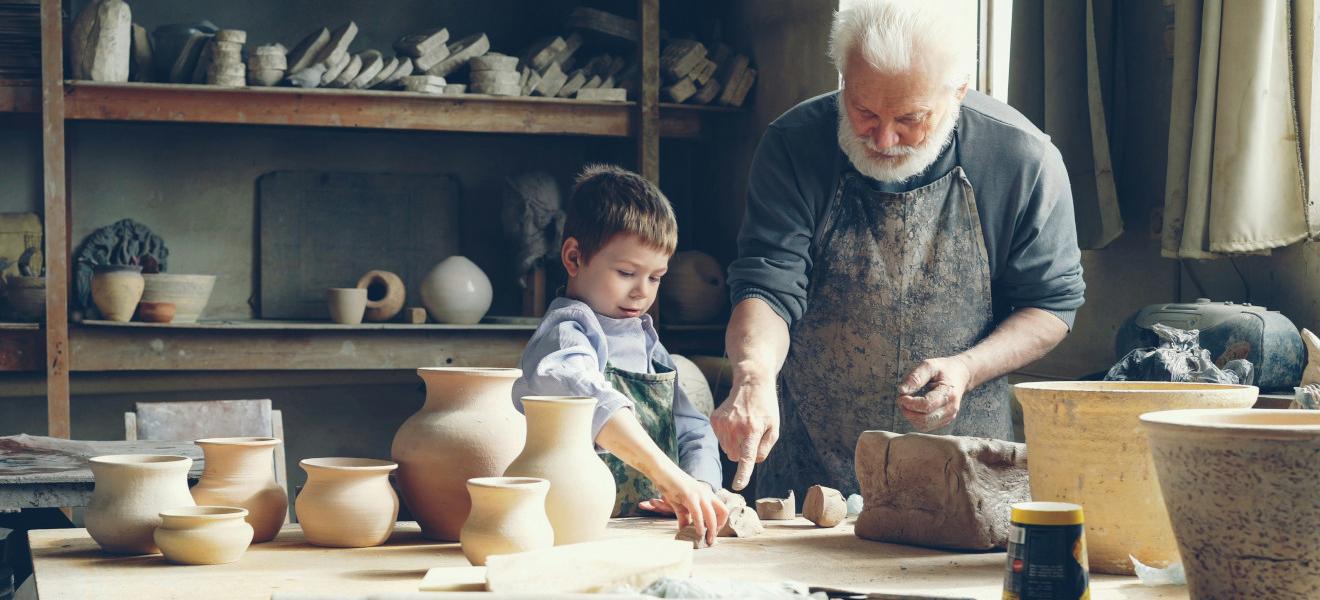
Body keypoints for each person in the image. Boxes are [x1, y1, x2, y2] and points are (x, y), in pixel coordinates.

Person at [712, 0, 1087, 500]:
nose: (883, 139)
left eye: (910, 118)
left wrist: (967, 368)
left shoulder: (1022, 159)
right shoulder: (793, 143)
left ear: (958, 92)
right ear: (844, 77)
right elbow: (767, 284)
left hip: (964, 466)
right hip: (810, 461)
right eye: (864, 111)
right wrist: (753, 374)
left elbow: (1052, 305)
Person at [514, 164, 729, 545]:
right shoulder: (567, 334)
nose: (641, 292)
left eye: (655, 277)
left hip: (650, 530)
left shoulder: (649, 344)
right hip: (575, 531)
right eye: (627, 272)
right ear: (575, 257)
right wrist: (667, 474)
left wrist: (698, 485)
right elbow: (588, 399)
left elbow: (693, 429)